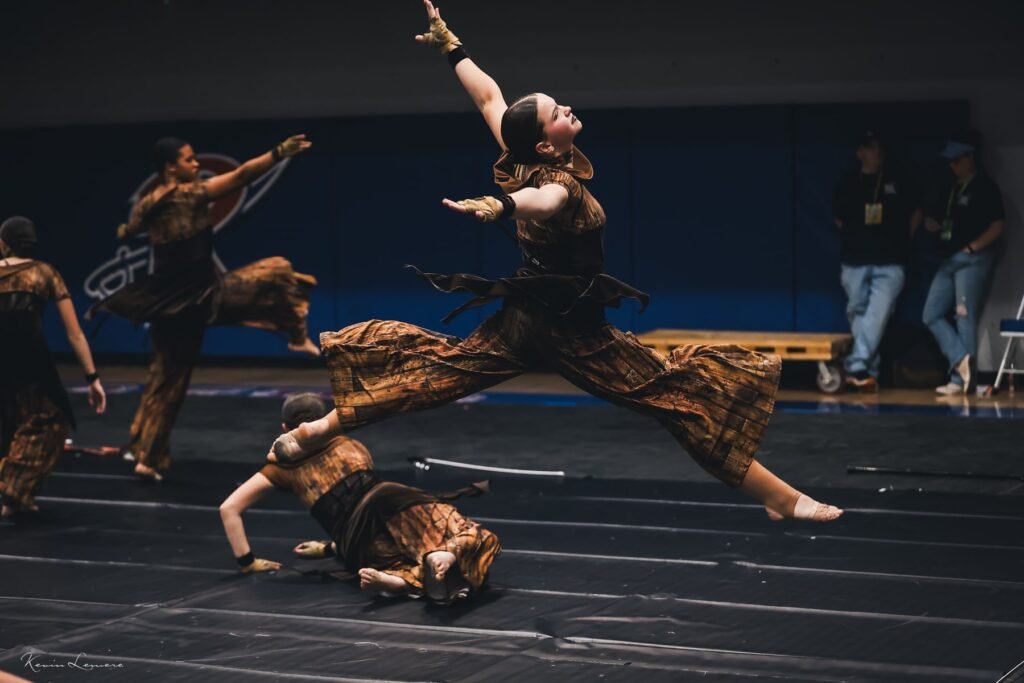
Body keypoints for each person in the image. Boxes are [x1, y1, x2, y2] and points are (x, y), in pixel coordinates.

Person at [271, 1, 842, 523]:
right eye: (556, 112)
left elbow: (489, 98)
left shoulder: (517, 154)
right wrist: (502, 206)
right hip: (575, 332)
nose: (566, 107)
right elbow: (542, 202)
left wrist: (452, 47)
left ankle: (316, 430)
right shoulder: (554, 184)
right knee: (677, 400)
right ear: (546, 144)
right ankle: (778, 497)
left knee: (436, 374)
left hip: (524, 320)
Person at [89, 136, 318, 480]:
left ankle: (143, 453)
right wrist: (277, 153)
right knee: (279, 270)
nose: (195, 164)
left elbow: (132, 227)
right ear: (171, 167)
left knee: (164, 381)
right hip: (201, 296)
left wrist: (126, 229)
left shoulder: (148, 202)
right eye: (189, 159)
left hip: (167, 304)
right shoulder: (190, 194)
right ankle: (297, 336)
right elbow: (241, 176)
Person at [218, 393, 500, 605]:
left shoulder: (282, 468)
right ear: (322, 423)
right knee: (475, 536)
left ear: (284, 427)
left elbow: (229, 508)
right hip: (393, 500)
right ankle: (444, 553)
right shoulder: (349, 443)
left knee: (397, 558)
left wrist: (248, 562)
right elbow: (364, 502)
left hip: (357, 544)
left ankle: (400, 579)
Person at [0, 216, 107, 518]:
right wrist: (92, 377)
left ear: (4, 244)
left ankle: (16, 496)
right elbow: (74, 333)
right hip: (30, 357)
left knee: (10, 419)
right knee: (52, 420)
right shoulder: (44, 272)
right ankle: (12, 484)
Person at [832, 131, 922, 390]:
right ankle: (867, 372)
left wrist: (903, 240)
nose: (877, 152)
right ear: (860, 152)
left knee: (878, 314)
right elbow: (839, 218)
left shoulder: (898, 180)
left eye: (878, 147)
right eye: (871, 148)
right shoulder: (848, 182)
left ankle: (856, 364)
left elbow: (916, 211)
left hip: (890, 260)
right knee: (857, 312)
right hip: (855, 259)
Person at [922, 132, 1005, 394]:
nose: (953, 166)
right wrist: (932, 225)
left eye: (957, 160)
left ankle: (961, 382)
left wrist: (972, 248)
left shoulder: (985, 187)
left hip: (971, 259)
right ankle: (960, 359)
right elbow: (936, 218)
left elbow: (997, 225)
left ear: (970, 157)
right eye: (950, 161)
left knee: (964, 316)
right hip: (947, 259)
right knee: (930, 314)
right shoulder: (949, 187)